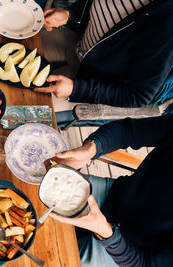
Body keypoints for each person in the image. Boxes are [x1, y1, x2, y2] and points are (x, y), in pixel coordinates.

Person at [48, 114, 173, 266]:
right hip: (112, 195)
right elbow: (129, 132)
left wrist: (108, 235)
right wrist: (91, 149)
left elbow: (144, 263)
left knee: (49, 259)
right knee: (32, 191)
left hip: (125, 251)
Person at [35, 0, 173, 108]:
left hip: (92, 86)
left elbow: (138, 96)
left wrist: (76, 89)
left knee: (27, 109)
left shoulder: (167, 24)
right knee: (19, 42)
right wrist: (70, 15)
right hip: (76, 43)